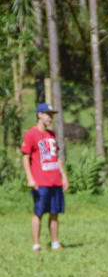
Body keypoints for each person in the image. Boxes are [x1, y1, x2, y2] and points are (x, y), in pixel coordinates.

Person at [21, 103, 69, 252]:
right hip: (40, 182)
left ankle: (55, 242)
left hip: (55, 180)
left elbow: (57, 157)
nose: (50, 118)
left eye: (52, 115)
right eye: (48, 115)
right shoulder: (31, 134)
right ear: (39, 115)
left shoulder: (52, 135)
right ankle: (36, 244)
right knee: (39, 212)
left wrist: (64, 176)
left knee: (54, 213)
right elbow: (25, 157)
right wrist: (30, 178)